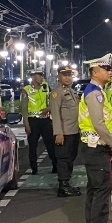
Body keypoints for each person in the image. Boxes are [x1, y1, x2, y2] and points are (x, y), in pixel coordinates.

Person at [79, 54, 112, 223]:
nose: (110, 71)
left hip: (94, 147)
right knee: (101, 190)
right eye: (106, 69)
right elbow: (98, 123)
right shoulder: (94, 93)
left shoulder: (97, 91)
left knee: (95, 189)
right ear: (95, 72)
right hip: (97, 147)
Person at [50, 65, 82, 197]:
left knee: (70, 158)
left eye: (69, 75)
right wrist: (58, 133)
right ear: (58, 76)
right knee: (63, 159)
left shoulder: (71, 91)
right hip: (64, 132)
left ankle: (67, 183)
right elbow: (55, 114)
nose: (68, 78)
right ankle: (63, 187)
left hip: (73, 131)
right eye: (65, 75)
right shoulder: (56, 93)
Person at [22, 69, 56, 175]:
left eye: (42, 75)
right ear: (33, 76)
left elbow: (53, 101)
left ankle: (55, 165)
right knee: (33, 146)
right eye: (39, 75)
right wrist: (26, 124)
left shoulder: (46, 87)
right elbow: (24, 108)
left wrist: (48, 109)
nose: (42, 78)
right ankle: (34, 168)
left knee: (50, 144)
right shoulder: (26, 90)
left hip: (45, 120)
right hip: (33, 121)